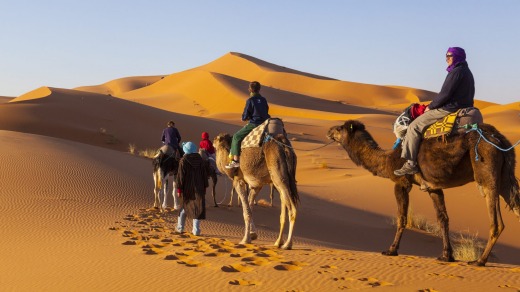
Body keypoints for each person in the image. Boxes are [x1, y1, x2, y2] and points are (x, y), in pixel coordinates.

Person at [394, 47, 475, 176]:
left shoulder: (456, 72)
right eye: (446, 55)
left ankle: (410, 164)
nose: (447, 58)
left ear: (458, 57)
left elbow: (445, 94)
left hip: (450, 109)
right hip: (465, 107)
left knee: (414, 127)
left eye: (450, 55)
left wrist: (431, 106)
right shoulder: (466, 71)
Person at [225, 81, 270, 168]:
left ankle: (235, 160)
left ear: (250, 90)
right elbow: (266, 111)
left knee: (236, 137)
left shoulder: (250, 100)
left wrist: (244, 118)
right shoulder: (263, 100)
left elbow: (245, 116)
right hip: (265, 124)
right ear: (259, 89)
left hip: (254, 124)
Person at [175, 141, 209, 236]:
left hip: (187, 188)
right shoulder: (201, 160)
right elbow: (204, 175)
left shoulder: (183, 161)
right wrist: (205, 187)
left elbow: (180, 177)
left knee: (183, 208)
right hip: (199, 188)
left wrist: (179, 189)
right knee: (197, 208)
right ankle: (196, 230)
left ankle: (180, 227)